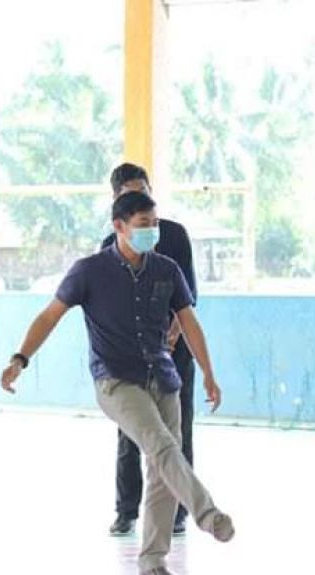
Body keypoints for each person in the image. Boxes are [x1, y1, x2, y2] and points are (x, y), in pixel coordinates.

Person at [1, 190, 234, 575]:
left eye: (154, 224)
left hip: (163, 378)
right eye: (143, 225)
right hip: (116, 381)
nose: (152, 231)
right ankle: (208, 515)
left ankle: (153, 562)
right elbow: (49, 316)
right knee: (163, 447)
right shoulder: (88, 271)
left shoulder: (166, 270)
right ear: (119, 227)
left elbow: (190, 323)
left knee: (162, 472)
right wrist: (19, 359)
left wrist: (208, 373)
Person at [101, 163, 197, 537]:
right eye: (129, 194)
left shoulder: (174, 235)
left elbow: (187, 295)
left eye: (144, 190)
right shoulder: (108, 249)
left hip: (174, 353)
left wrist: (173, 333)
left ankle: (177, 510)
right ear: (116, 204)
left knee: (177, 431)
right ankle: (126, 510)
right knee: (131, 433)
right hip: (131, 358)